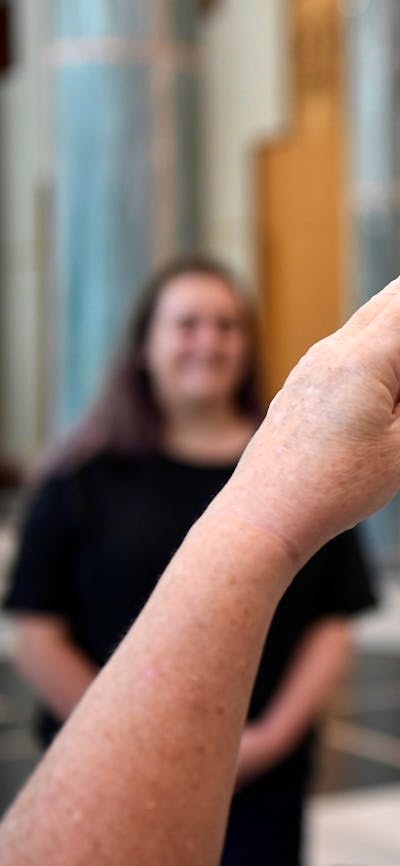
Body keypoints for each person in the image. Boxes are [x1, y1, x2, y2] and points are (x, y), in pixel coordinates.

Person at [0, 276, 400, 866]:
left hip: (266, 777)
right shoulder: (76, 480)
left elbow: (333, 619)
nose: (208, 342)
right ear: (144, 346)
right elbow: (37, 629)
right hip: (111, 774)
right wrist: (134, 733)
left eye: (227, 325)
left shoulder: (305, 468)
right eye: (187, 324)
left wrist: (267, 740)